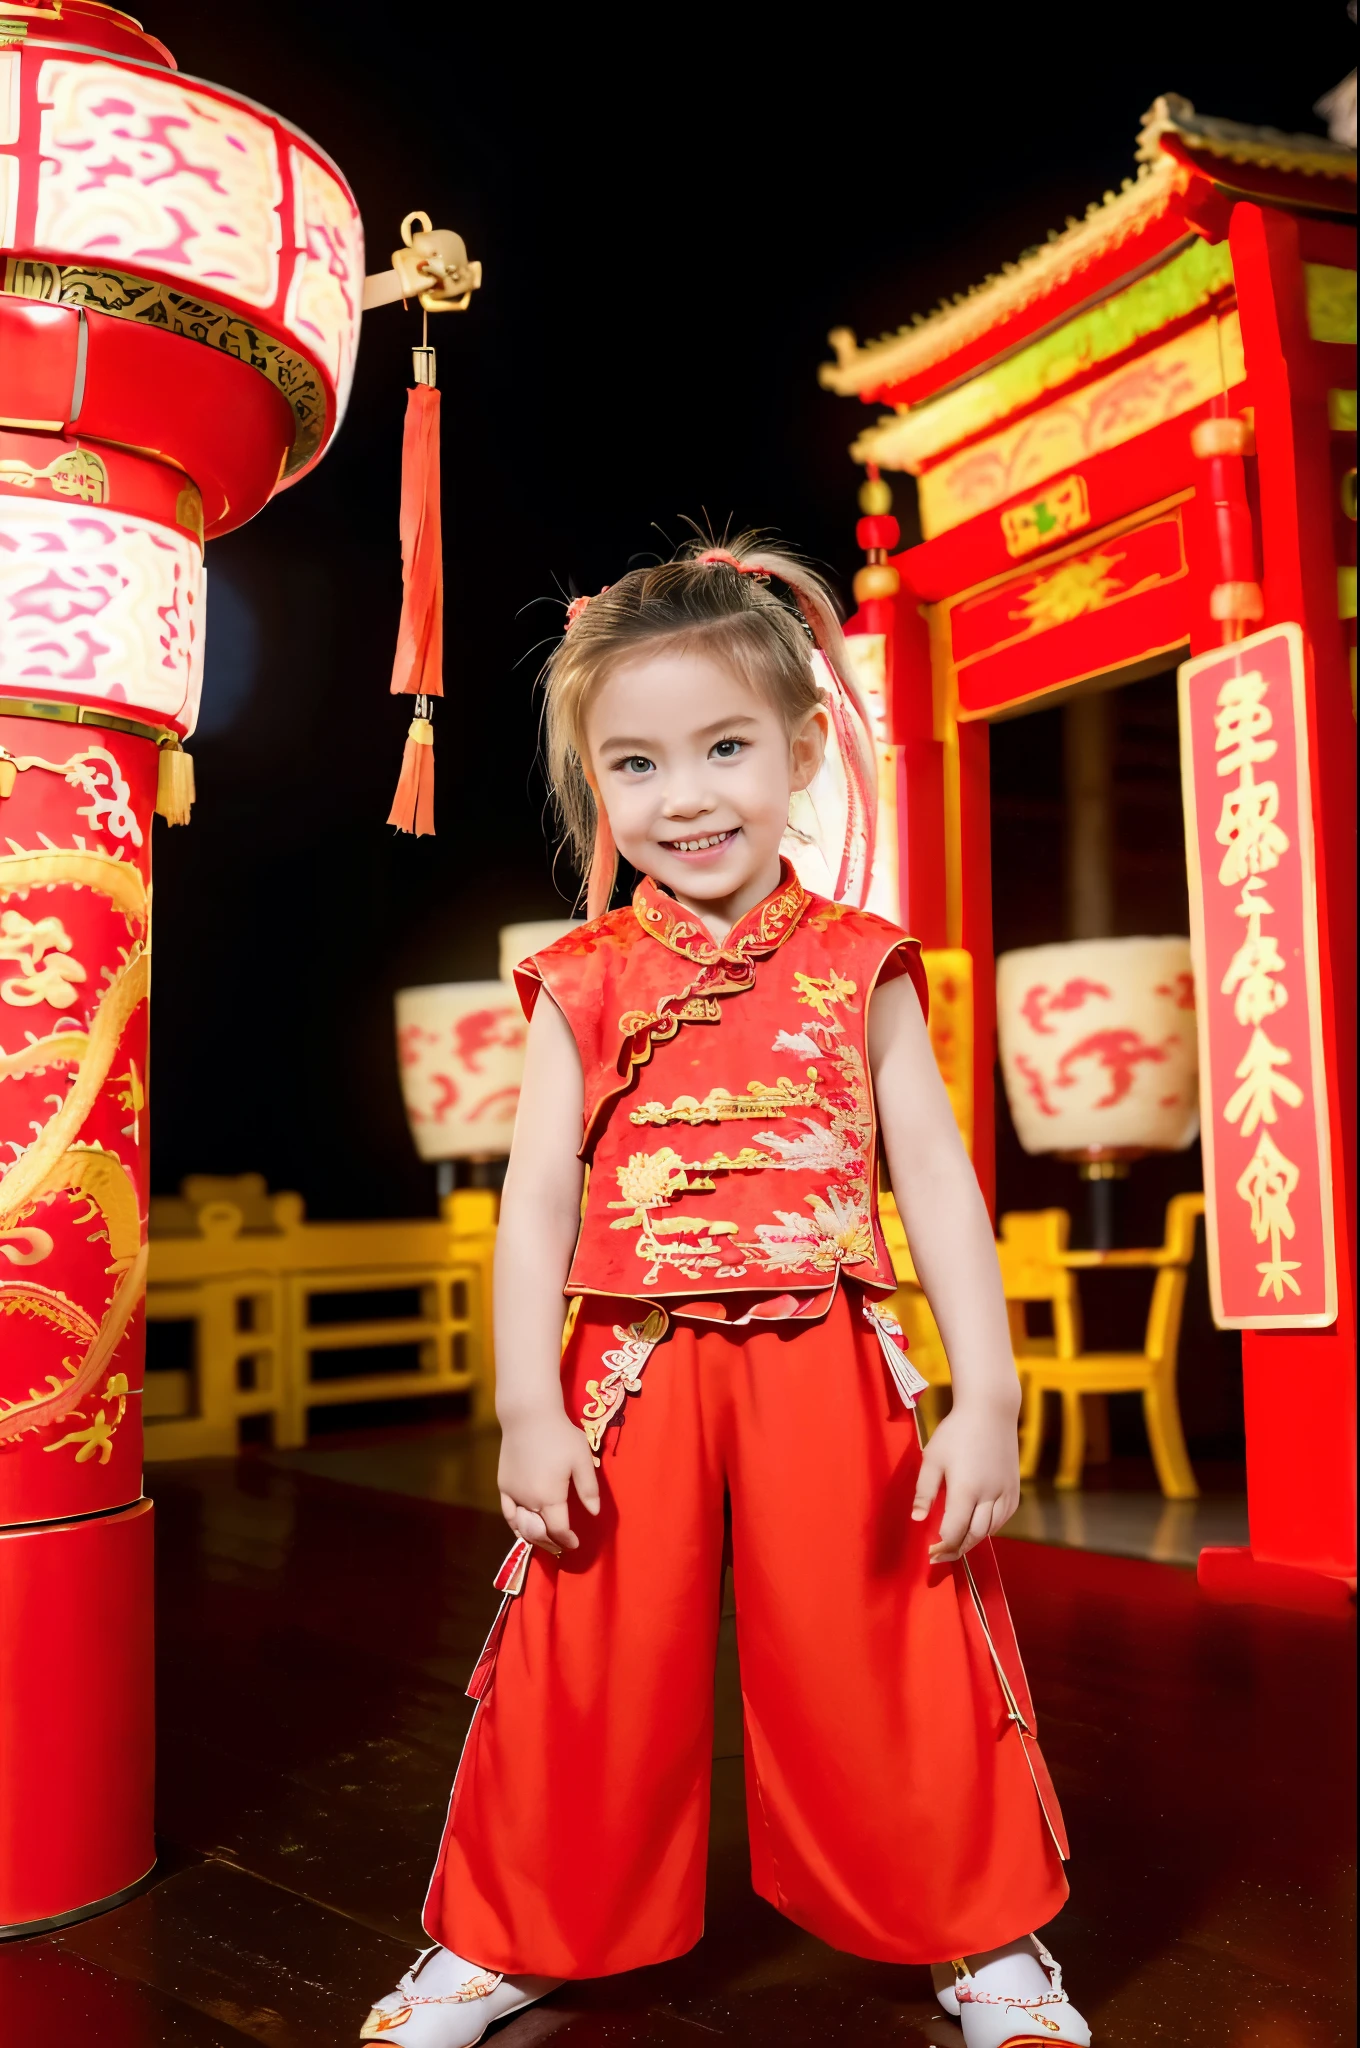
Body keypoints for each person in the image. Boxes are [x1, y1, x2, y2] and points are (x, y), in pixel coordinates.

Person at [362, 540, 1092, 2048]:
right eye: (635, 764)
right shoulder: (581, 975)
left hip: (834, 1347)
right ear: (590, 782)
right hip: (628, 1362)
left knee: (894, 1630)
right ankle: (506, 1932)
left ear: (804, 749)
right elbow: (539, 1208)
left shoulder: (861, 962)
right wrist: (520, 1409)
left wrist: (989, 1391)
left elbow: (936, 1183)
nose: (683, 797)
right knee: (576, 1651)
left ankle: (985, 1935)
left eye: (724, 749)